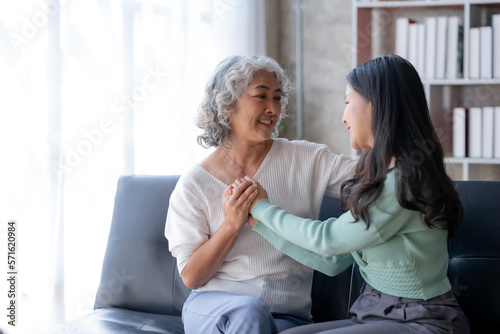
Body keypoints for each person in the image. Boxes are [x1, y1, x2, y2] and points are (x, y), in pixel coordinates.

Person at [230, 54, 471, 333]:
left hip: (420, 320)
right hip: (375, 311)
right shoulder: (379, 173)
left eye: (347, 103)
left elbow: (327, 240)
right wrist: (257, 221)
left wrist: (262, 208)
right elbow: (331, 261)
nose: (343, 117)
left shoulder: (405, 181)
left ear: (376, 104)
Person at [165, 55, 356, 334]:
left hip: (287, 316)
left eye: (277, 98)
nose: (273, 108)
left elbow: (372, 178)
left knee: (255, 315)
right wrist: (231, 225)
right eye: (261, 96)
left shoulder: (306, 159)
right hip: (213, 308)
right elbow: (192, 277)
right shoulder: (194, 183)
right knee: (250, 311)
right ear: (227, 104)